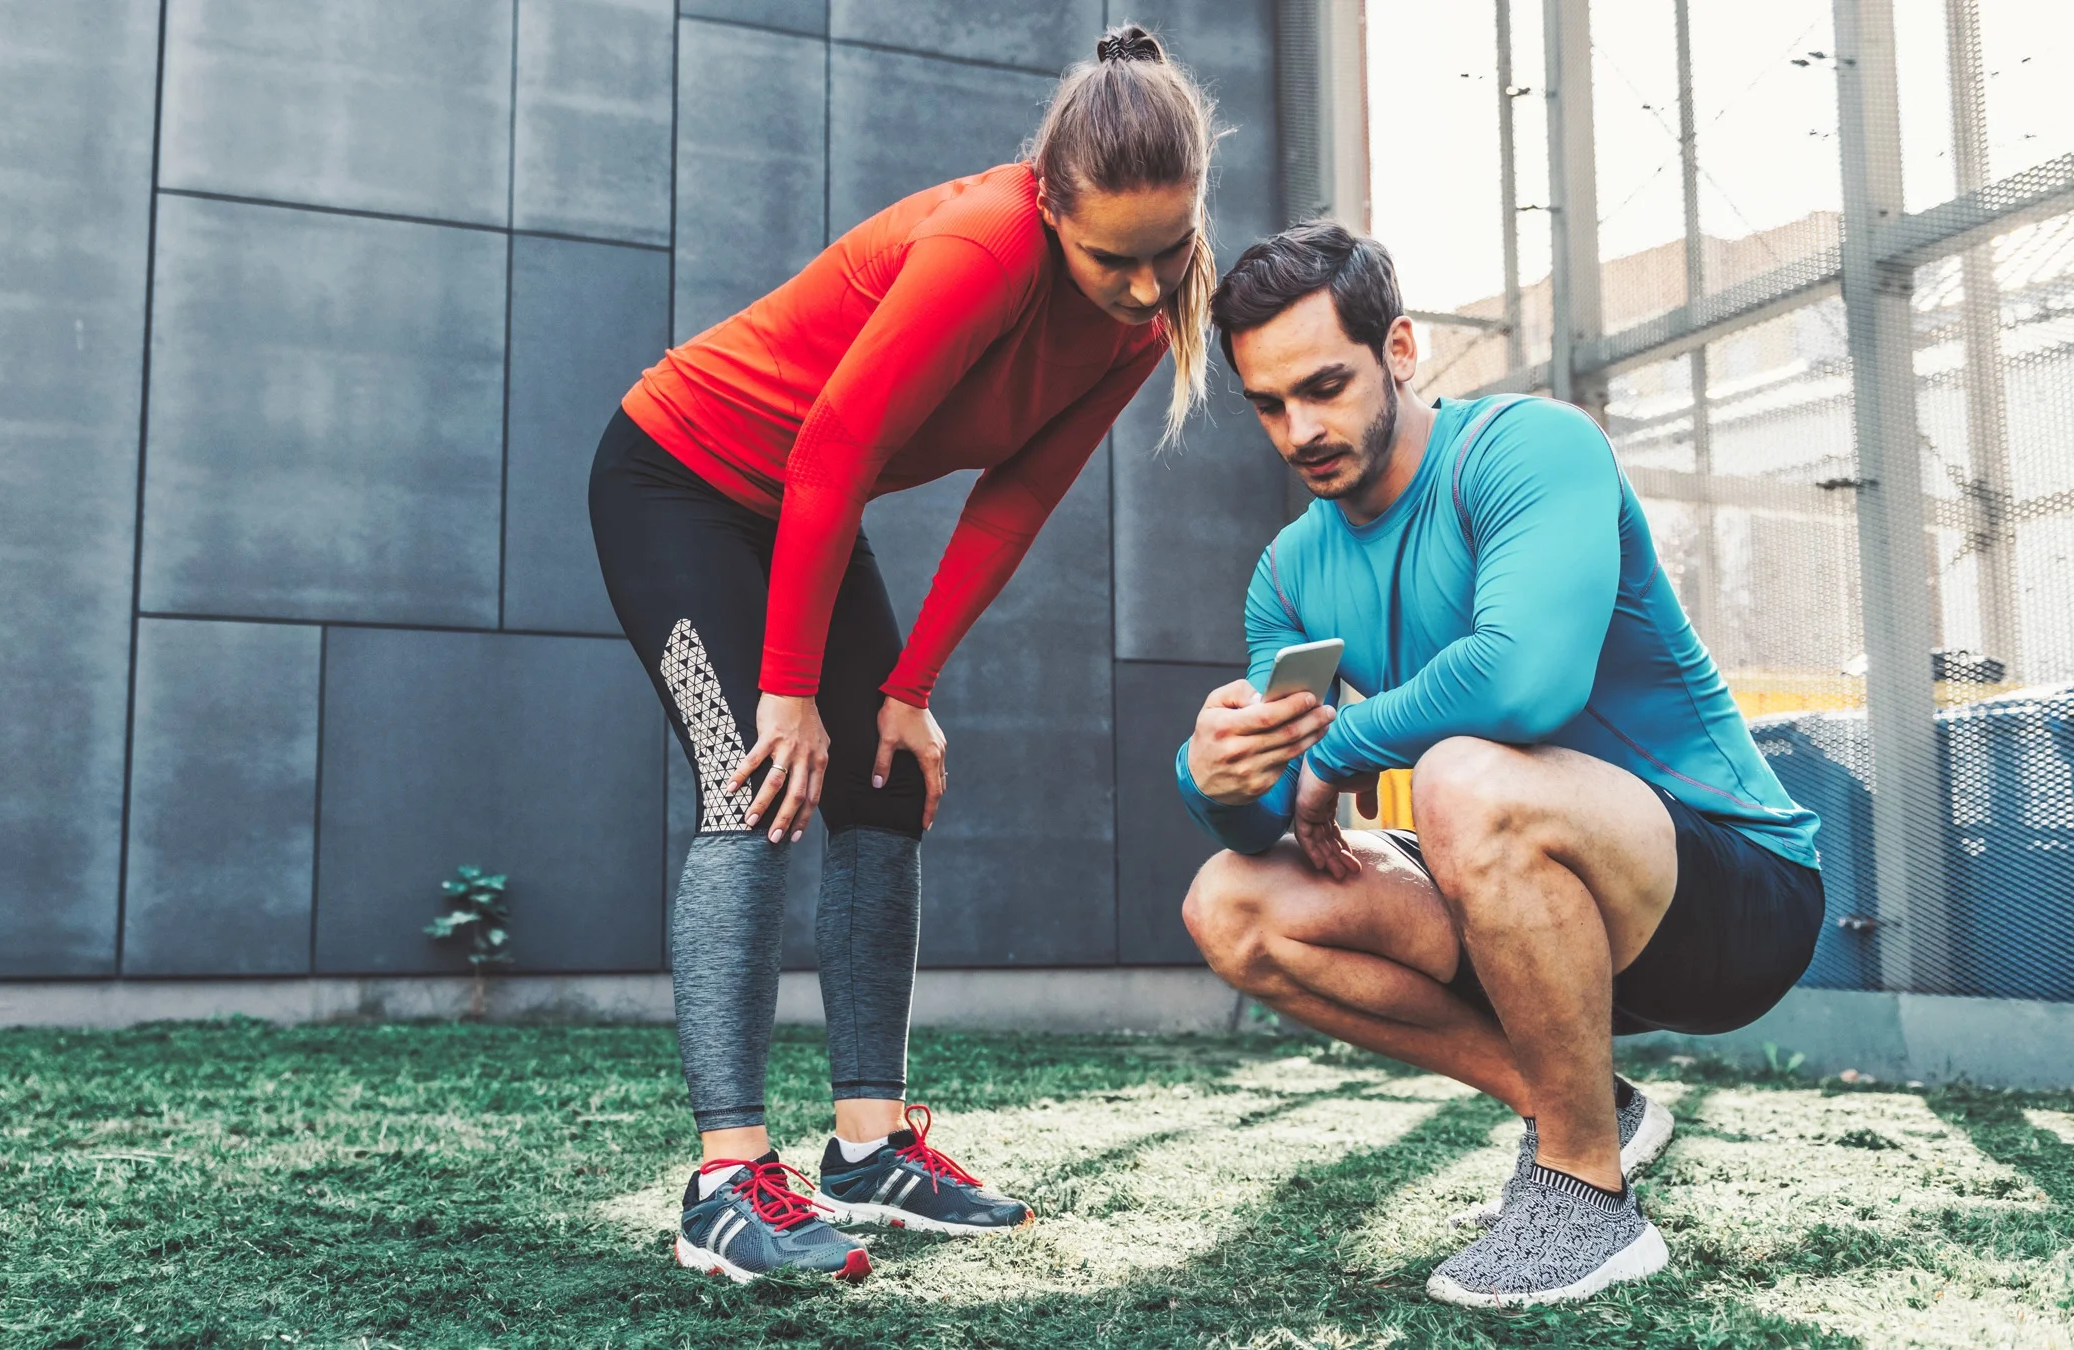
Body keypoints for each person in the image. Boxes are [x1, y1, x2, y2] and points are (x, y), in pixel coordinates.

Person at [590, 25, 1220, 1283]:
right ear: (1051, 203)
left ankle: (869, 1147)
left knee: (884, 787)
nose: (1149, 288)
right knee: (756, 780)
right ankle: (723, 1180)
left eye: (1170, 251)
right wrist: (786, 692)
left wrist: (907, 694)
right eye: (1117, 259)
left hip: (809, 506)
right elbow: (830, 449)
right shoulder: (982, 246)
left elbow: (1014, 498)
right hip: (678, 478)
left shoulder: (1140, 322)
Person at [1174, 223, 1824, 1308]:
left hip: (1730, 894)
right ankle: (1580, 1105)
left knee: (1462, 775)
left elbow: (1527, 681)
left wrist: (1336, 750)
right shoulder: (1289, 571)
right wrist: (1218, 778)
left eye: (1326, 385)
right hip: (1517, 911)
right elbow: (1279, 816)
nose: (1301, 429)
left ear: (1401, 349)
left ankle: (1584, 1196)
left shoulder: (1528, 447)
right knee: (1231, 903)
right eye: (1270, 405)